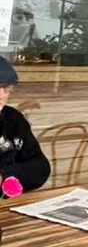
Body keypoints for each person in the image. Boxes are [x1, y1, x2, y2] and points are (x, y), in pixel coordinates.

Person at [0, 58, 50, 192]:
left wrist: (4, 176)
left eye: (5, 88)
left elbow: (40, 168)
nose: (1, 95)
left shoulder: (13, 119)